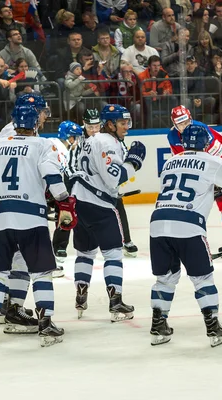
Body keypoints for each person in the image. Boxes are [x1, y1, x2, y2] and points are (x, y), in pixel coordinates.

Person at [149, 124, 222, 347]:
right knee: (202, 278)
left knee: (165, 278)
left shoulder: (170, 161)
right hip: (189, 226)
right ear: (206, 143)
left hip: (158, 223)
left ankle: (158, 325)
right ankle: (212, 325)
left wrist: (211, 189)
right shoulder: (211, 161)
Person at [0, 105, 77, 348]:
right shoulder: (42, 145)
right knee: (42, 272)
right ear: (35, 124)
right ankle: (45, 324)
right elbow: (52, 177)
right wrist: (65, 201)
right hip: (31, 218)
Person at [70, 104, 146, 321]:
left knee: (85, 253)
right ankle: (115, 301)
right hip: (100, 205)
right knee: (113, 253)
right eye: (122, 123)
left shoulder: (88, 141)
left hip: (80, 203)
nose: (126, 127)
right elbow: (113, 178)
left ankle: (81, 295)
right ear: (110, 124)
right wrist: (134, 163)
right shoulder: (107, 142)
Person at [168, 105, 222, 257]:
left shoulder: (201, 131)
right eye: (180, 124)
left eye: (186, 122)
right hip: (203, 165)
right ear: (174, 124)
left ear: (190, 118)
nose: (184, 126)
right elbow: (182, 159)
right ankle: (185, 241)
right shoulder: (172, 137)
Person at [51, 121, 84, 273]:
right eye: (76, 138)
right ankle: (47, 265)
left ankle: (48, 263)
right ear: (70, 138)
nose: (77, 142)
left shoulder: (57, 146)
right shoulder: (60, 149)